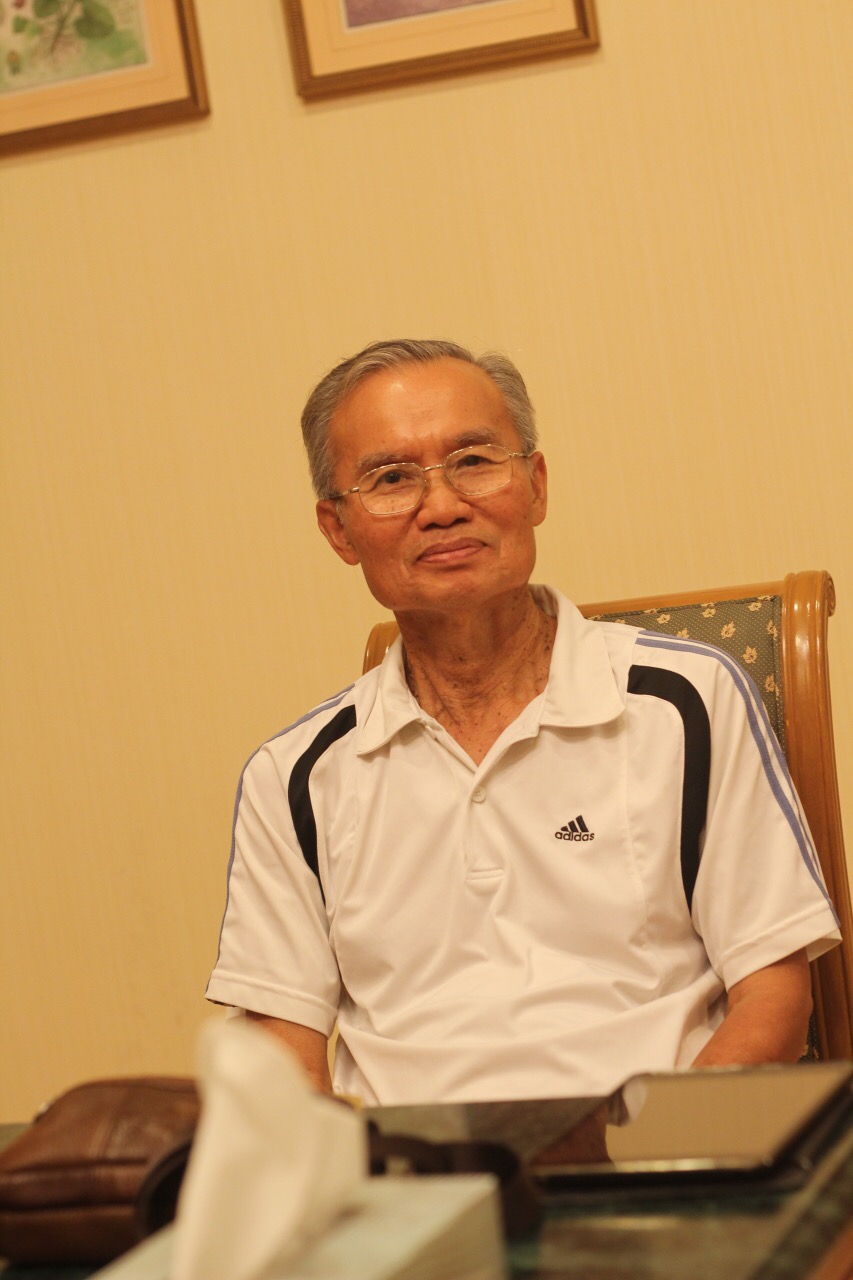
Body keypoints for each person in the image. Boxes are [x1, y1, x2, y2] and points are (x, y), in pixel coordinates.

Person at [206, 339, 841, 1105]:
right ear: (337, 529)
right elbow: (284, 1058)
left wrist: (652, 1148)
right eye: (391, 478)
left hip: (650, 1150)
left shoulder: (686, 701)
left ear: (535, 486)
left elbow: (774, 1001)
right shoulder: (294, 776)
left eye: (473, 461)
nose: (442, 507)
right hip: (410, 1167)